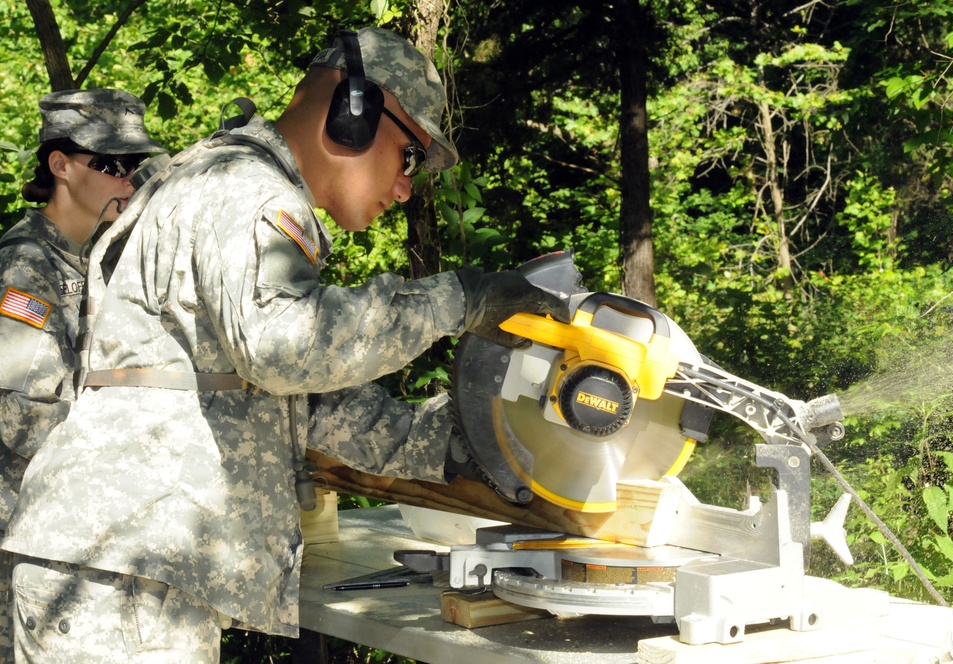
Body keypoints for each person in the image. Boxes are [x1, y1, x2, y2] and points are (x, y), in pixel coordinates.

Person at [2, 27, 567, 661]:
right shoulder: (245, 189)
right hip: (127, 566)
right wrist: (460, 299)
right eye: (409, 157)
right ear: (354, 111)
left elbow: (312, 396)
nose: (406, 186)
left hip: (129, 563)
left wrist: (471, 443)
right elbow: (283, 347)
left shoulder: (226, 181)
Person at [0, 89, 165, 661]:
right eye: (111, 165)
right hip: (26, 531)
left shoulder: (102, 259)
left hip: (78, 528)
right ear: (60, 164)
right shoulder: (25, 269)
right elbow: (25, 422)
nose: (127, 180)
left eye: (134, 166)